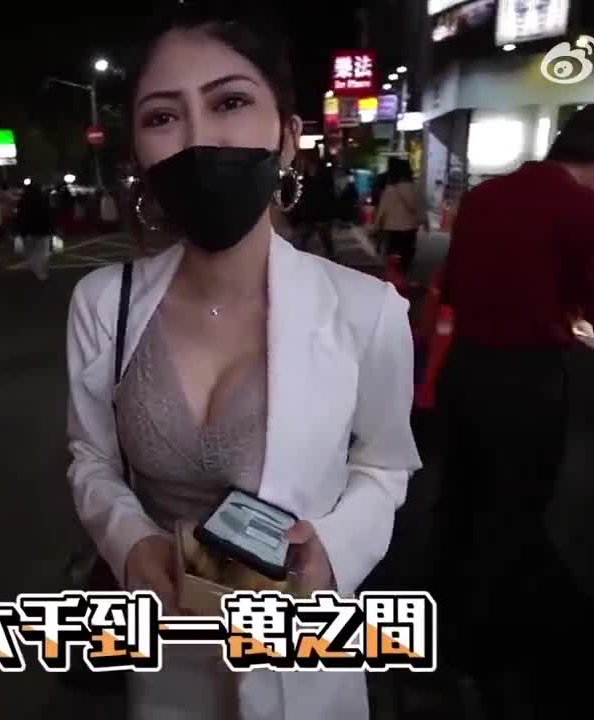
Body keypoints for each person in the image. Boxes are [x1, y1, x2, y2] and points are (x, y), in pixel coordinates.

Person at [65, 7, 421, 719]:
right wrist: (131, 543)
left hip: (306, 672)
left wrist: (332, 551)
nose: (199, 139)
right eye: (162, 117)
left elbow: (385, 465)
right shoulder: (103, 304)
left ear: (286, 135)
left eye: (229, 102)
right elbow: (91, 458)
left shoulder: (367, 312)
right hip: (169, 663)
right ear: (139, 153)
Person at [432, 100, 594, 715]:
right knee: (510, 517)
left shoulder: (486, 197)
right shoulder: (589, 209)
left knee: (458, 503)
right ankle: (481, 660)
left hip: (465, 371)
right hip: (525, 384)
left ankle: (438, 632)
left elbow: (455, 286)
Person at [371, 159, 426, 274]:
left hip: (391, 228)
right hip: (410, 228)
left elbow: (382, 210)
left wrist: (376, 227)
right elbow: (420, 206)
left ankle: (394, 275)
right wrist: (424, 220)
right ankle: (404, 273)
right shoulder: (414, 188)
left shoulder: (390, 189)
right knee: (407, 253)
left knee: (392, 254)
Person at [293, 157, 336, 258]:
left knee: (324, 236)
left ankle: (331, 254)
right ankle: (302, 254)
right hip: (310, 214)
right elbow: (303, 196)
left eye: (312, 167)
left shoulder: (323, 181)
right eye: (309, 167)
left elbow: (329, 197)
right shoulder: (306, 181)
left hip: (321, 213)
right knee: (304, 235)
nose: (311, 169)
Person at [16, 181, 54, 281]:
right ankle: (40, 272)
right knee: (42, 252)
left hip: (28, 231)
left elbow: (20, 216)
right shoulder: (43, 199)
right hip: (42, 230)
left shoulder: (23, 200)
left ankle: (35, 268)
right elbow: (49, 215)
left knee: (30, 251)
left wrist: (20, 230)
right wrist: (52, 228)